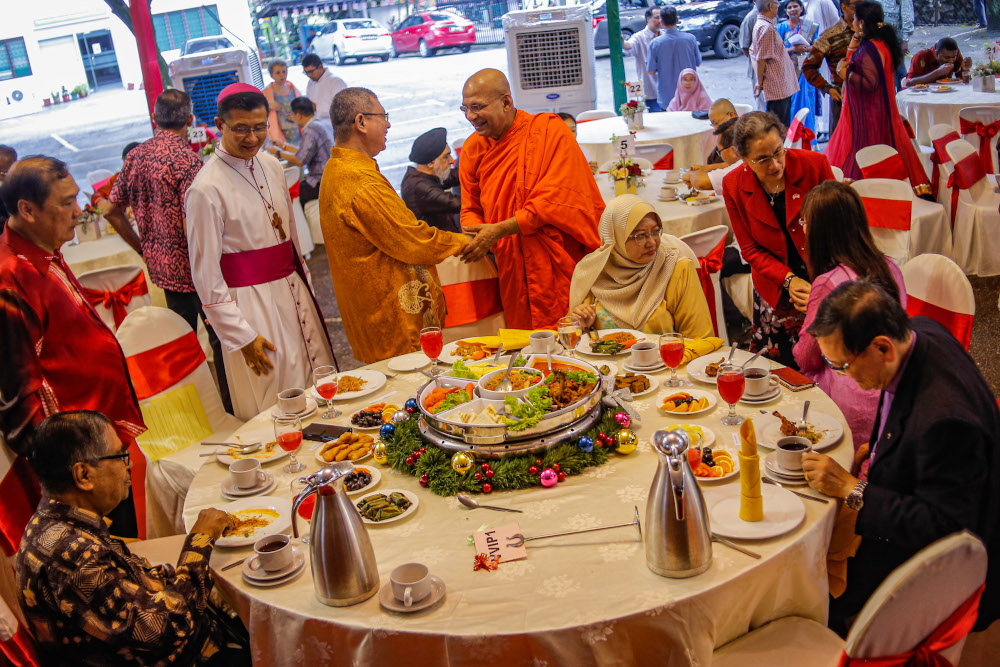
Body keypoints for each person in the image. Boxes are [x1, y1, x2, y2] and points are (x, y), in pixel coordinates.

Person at [800, 281, 1000, 636]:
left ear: (883, 348)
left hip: (939, 565)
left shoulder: (944, 420)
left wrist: (854, 488)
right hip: (912, 492)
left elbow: (945, 528)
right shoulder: (921, 331)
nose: (843, 375)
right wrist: (879, 451)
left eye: (843, 365)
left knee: (810, 587)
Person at [16, 410, 251, 665]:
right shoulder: (72, 558)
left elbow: (127, 591)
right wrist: (200, 540)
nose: (128, 465)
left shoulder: (50, 520)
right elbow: (168, 629)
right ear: (84, 475)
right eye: (119, 456)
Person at [0, 157, 146, 542]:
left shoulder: (44, 251)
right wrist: (68, 477)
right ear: (27, 210)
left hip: (102, 441)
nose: (79, 211)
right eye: (66, 203)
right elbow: (21, 398)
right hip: (81, 465)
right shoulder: (10, 277)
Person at [185, 83, 335, 421]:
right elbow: (205, 274)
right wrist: (240, 336)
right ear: (219, 125)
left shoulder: (270, 164)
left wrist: (307, 289)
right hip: (250, 307)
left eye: (259, 127)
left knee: (317, 385)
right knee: (275, 400)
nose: (252, 137)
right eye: (240, 128)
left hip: (292, 291)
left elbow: (291, 239)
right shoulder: (205, 189)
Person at [320, 88, 469, 363]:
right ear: (361, 122)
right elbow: (412, 240)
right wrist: (466, 242)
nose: (388, 124)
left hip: (376, 315)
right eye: (383, 116)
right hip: (394, 323)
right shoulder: (357, 181)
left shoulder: (342, 169)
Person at [107, 90, 231, 413]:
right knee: (220, 339)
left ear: (154, 119)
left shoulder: (135, 157)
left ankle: (192, 411)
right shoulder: (188, 161)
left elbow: (110, 209)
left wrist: (143, 249)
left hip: (164, 270)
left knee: (180, 343)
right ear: (190, 121)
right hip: (198, 267)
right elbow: (199, 219)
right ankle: (230, 409)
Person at [457, 69, 603, 329]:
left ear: (506, 102)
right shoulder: (472, 148)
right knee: (526, 342)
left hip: (557, 258)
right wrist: (474, 236)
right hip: (510, 262)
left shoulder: (549, 131)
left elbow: (556, 199)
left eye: (477, 107)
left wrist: (500, 229)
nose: (471, 117)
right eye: (465, 109)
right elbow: (470, 207)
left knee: (571, 332)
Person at [792, 182, 905, 450]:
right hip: (891, 396)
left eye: (805, 222)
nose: (803, 229)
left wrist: (813, 309)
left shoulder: (827, 283)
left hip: (848, 406)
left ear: (820, 231)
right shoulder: (890, 266)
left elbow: (806, 357)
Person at [722, 111, 835, 367]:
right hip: (774, 286)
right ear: (745, 160)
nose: (774, 165)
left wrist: (821, 285)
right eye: (762, 159)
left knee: (828, 365)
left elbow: (839, 230)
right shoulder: (733, 185)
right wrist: (789, 280)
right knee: (781, 370)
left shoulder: (814, 166)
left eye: (778, 152)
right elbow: (749, 249)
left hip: (822, 277)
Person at [568, 194, 713, 338]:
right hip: (603, 360)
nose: (652, 242)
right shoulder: (592, 272)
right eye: (640, 236)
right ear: (616, 238)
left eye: (655, 231)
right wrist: (582, 327)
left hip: (668, 360)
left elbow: (699, 339)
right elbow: (571, 338)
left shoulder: (676, 270)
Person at [824, 2, 929, 189]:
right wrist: (853, 44)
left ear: (862, 22)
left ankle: (869, 195)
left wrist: (844, 74)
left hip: (869, 117)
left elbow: (869, 83)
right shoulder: (880, 43)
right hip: (875, 113)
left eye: (855, 18)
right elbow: (857, 64)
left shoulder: (871, 48)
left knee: (867, 159)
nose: (852, 21)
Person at [265, 96, 333, 208]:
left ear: (299, 115)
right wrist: (284, 146)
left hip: (321, 182)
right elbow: (307, 151)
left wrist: (277, 152)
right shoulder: (322, 124)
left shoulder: (310, 129)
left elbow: (300, 160)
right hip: (330, 176)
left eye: (292, 115)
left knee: (288, 194)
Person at [802, 0, 856, 138]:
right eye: (857, 5)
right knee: (842, 146)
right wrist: (828, 88)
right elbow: (808, 67)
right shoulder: (830, 35)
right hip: (842, 98)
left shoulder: (872, 32)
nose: (863, 8)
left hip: (870, 98)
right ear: (844, 7)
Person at [400, 127, 462, 234]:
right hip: (440, 246)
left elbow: (456, 176)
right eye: (446, 157)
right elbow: (458, 203)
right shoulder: (419, 187)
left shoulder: (424, 174)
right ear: (430, 163)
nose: (451, 161)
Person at [751, 0, 800, 126]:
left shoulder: (767, 25)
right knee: (779, 126)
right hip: (777, 87)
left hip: (781, 86)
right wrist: (759, 82)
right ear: (771, 6)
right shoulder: (765, 27)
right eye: (777, 5)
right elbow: (761, 58)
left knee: (782, 123)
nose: (778, 8)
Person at [647, 7, 702, 113]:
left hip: (667, 98)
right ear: (677, 20)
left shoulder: (655, 43)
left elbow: (651, 70)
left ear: (661, 22)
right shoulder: (690, 39)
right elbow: (698, 62)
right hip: (690, 94)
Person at [777, 0, 820, 131]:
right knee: (792, 103)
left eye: (795, 6)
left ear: (801, 8)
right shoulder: (782, 27)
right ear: (785, 11)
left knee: (808, 102)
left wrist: (805, 48)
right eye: (789, 7)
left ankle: (810, 137)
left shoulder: (811, 26)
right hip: (789, 71)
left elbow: (817, 47)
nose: (792, 9)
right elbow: (777, 49)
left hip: (807, 70)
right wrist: (792, 50)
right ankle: (794, 136)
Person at [622, 7, 662, 111]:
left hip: (667, 89)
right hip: (650, 90)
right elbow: (629, 46)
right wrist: (622, 42)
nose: (659, 21)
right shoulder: (639, 37)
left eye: (661, 18)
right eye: (656, 18)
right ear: (648, 19)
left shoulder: (665, 35)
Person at [687, 119, 741, 193]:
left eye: (720, 151)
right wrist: (706, 168)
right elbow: (730, 165)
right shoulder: (751, 157)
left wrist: (691, 175)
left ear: (734, 150)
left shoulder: (742, 168)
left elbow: (700, 182)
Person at [873, 0, 913, 88]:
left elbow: (907, 12)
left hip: (895, 37)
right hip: (877, 37)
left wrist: (905, 39)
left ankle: (904, 94)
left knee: (898, 70)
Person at [263, 59, 303, 145]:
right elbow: (256, 112)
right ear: (271, 75)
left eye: (284, 72)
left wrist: (297, 115)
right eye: (278, 73)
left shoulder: (293, 89)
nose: (282, 75)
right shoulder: (266, 92)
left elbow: (304, 109)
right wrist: (268, 105)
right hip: (279, 135)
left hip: (298, 134)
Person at [904, 37, 971, 87]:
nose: (951, 60)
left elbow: (964, 83)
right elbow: (908, 83)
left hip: (946, 92)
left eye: (954, 57)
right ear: (936, 54)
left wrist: (965, 70)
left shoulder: (954, 53)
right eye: (946, 58)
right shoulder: (922, 56)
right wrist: (937, 73)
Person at [302, 53, 346, 122]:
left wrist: (316, 107)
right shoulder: (310, 83)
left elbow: (342, 109)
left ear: (320, 67)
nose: (309, 75)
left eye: (311, 72)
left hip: (333, 126)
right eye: (306, 73)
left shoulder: (336, 82)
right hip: (316, 125)